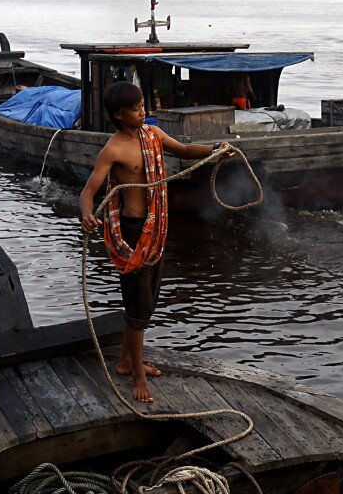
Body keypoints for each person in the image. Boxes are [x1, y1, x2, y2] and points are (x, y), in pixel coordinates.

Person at [79, 81, 231, 403]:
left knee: (146, 305)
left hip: (156, 229)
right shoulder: (114, 149)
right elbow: (88, 191)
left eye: (143, 105)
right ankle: (135, 374)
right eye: (136, 109)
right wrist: (87, 214)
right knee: (139, 308)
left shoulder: (153, 134)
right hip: (133, 234)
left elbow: (186, 151)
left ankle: (124, 360)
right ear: (120, 114)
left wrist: (217, 150)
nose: (143, 112)